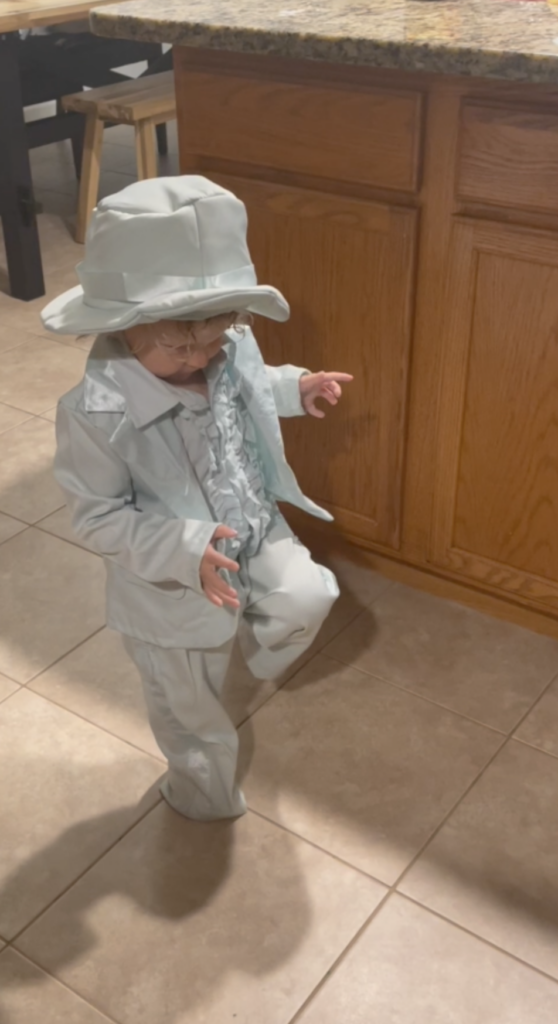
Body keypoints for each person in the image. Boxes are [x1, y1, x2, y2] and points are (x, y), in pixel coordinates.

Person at [42, 175, 353, 822]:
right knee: (191, 711)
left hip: (253, 528)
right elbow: (96, 516)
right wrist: (184, 549)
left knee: (311, 594)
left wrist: (299, 388)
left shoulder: (223, 347)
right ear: (124, 330)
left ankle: (250, 641)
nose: (200, 357)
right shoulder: (96, 415)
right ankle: (198, 794)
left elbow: (252, 381)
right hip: (171, 585)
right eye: (179, 347)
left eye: (214, 339)